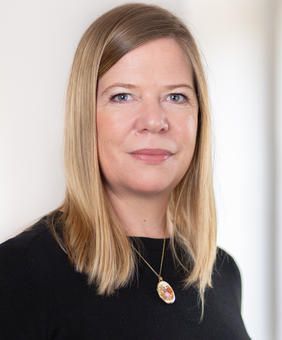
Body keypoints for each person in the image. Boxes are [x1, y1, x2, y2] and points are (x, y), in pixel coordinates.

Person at [0, 3, 251, 339]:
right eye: (123, 96)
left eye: (176, 97)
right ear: (86, 116)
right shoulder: (18, 274)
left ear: (200, 117)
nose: (153, 121)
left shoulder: (221, 275)